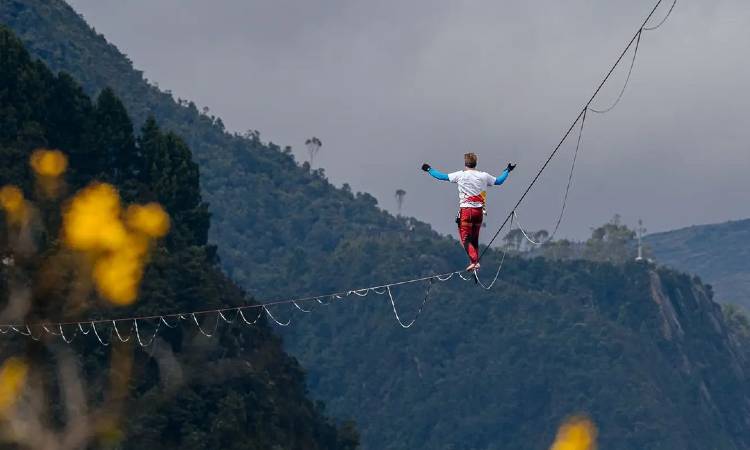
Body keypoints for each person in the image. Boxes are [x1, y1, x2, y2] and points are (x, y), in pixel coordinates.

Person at [422, 153, 515, 272]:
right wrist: (507, 170)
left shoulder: (460, 175)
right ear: (476, 163)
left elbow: (441, 176)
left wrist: (429, 169)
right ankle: (473, 262)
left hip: (466, 211)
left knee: (465, 238)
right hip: (478, 212)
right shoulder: (484, 176)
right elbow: (499, 181)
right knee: (474, 238)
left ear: (465, 163)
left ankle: (475, 261)